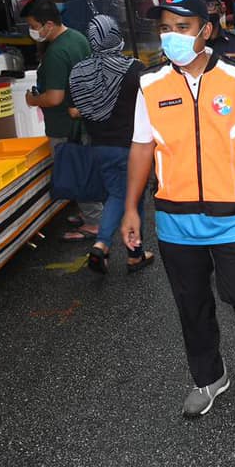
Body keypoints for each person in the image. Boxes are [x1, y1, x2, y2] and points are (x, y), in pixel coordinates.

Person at [121, 0, 235, 418]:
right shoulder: (150, 84)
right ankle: (209, 377)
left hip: (233, 212)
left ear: (206, 31)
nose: (172, 36)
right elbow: (142, 147)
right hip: (175, 217)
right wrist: (130, 208)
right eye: (165, 28)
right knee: (191, 304)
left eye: (183, 27)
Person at [68, 15, 154, 274]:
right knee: (129, 196)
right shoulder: (134, 69)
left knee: (120, 194)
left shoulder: (79, 71)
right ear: (116, 36)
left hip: (98, 145)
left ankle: (118, 249)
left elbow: (74, 110)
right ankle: (118, 249)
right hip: (132, 146)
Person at [21, 0, 101, 242]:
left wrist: (33, 100)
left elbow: (54, 98)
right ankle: (92, 213)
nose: (32, 31)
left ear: (48, 24)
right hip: (84, 119)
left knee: (76, 171)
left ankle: (94, 223)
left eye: (33, 26)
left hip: (65, 125)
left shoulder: (56, 52)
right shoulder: (77, 37)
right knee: (85, 168)